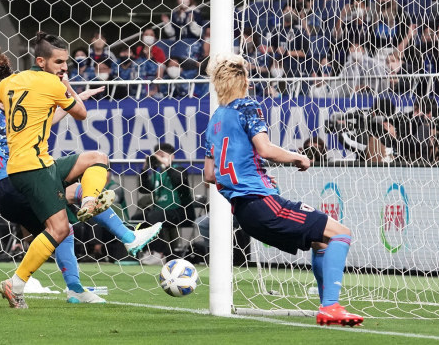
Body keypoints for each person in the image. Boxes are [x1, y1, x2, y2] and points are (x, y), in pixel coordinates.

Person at [0, 31, 136, 309]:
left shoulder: (17, 106)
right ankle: (128, 237)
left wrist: (77, 97)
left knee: (62, 228)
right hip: (12, 183)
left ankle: (70, 287)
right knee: (75, 195)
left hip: (17, 182)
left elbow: (49, 119)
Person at [204, 53, 363, 327]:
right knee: (341, 233)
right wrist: (298, 157)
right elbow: (266, 149)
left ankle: (329, 307)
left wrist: (252, 178)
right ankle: (331, 307)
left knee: (320, 240)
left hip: (246, 214)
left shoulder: (215, 119)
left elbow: (209, 174)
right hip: (262, 204)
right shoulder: (247, 107)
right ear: (243, 80)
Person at [134, 143, 195, 264]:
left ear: (172, 157)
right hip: (160, 212)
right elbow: (143, 189)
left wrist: (168, 165)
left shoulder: (179, 169)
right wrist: (145, 170)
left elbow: (179, 180)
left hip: (180, 212)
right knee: (137, 218)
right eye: (157, 156)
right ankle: (147, 251)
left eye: (162, 155)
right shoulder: (157, 174)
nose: (159, 159)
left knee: (154, 216)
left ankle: (159, 253)